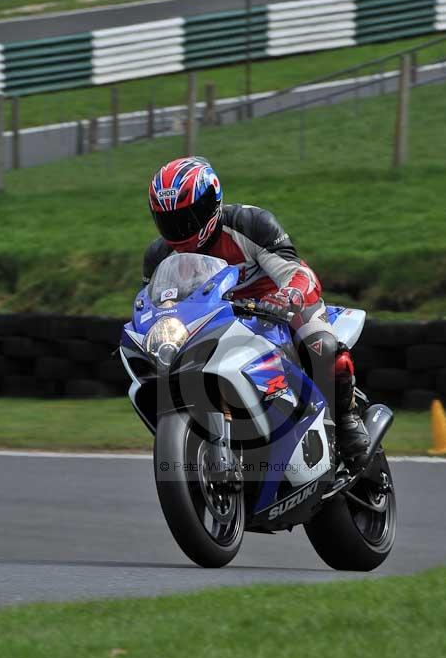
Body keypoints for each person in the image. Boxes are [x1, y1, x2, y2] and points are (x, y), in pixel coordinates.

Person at [143, 156, 370, 465]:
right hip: (215, 322)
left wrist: (288, 296)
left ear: (211, 203)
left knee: (323, 345)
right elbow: (156, 305)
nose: (178, 229)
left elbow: (295, 272)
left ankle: (346, 421)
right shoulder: (159, 256)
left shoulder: (249, 225)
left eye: (187, 217)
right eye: (168, 220)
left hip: (276, 308)